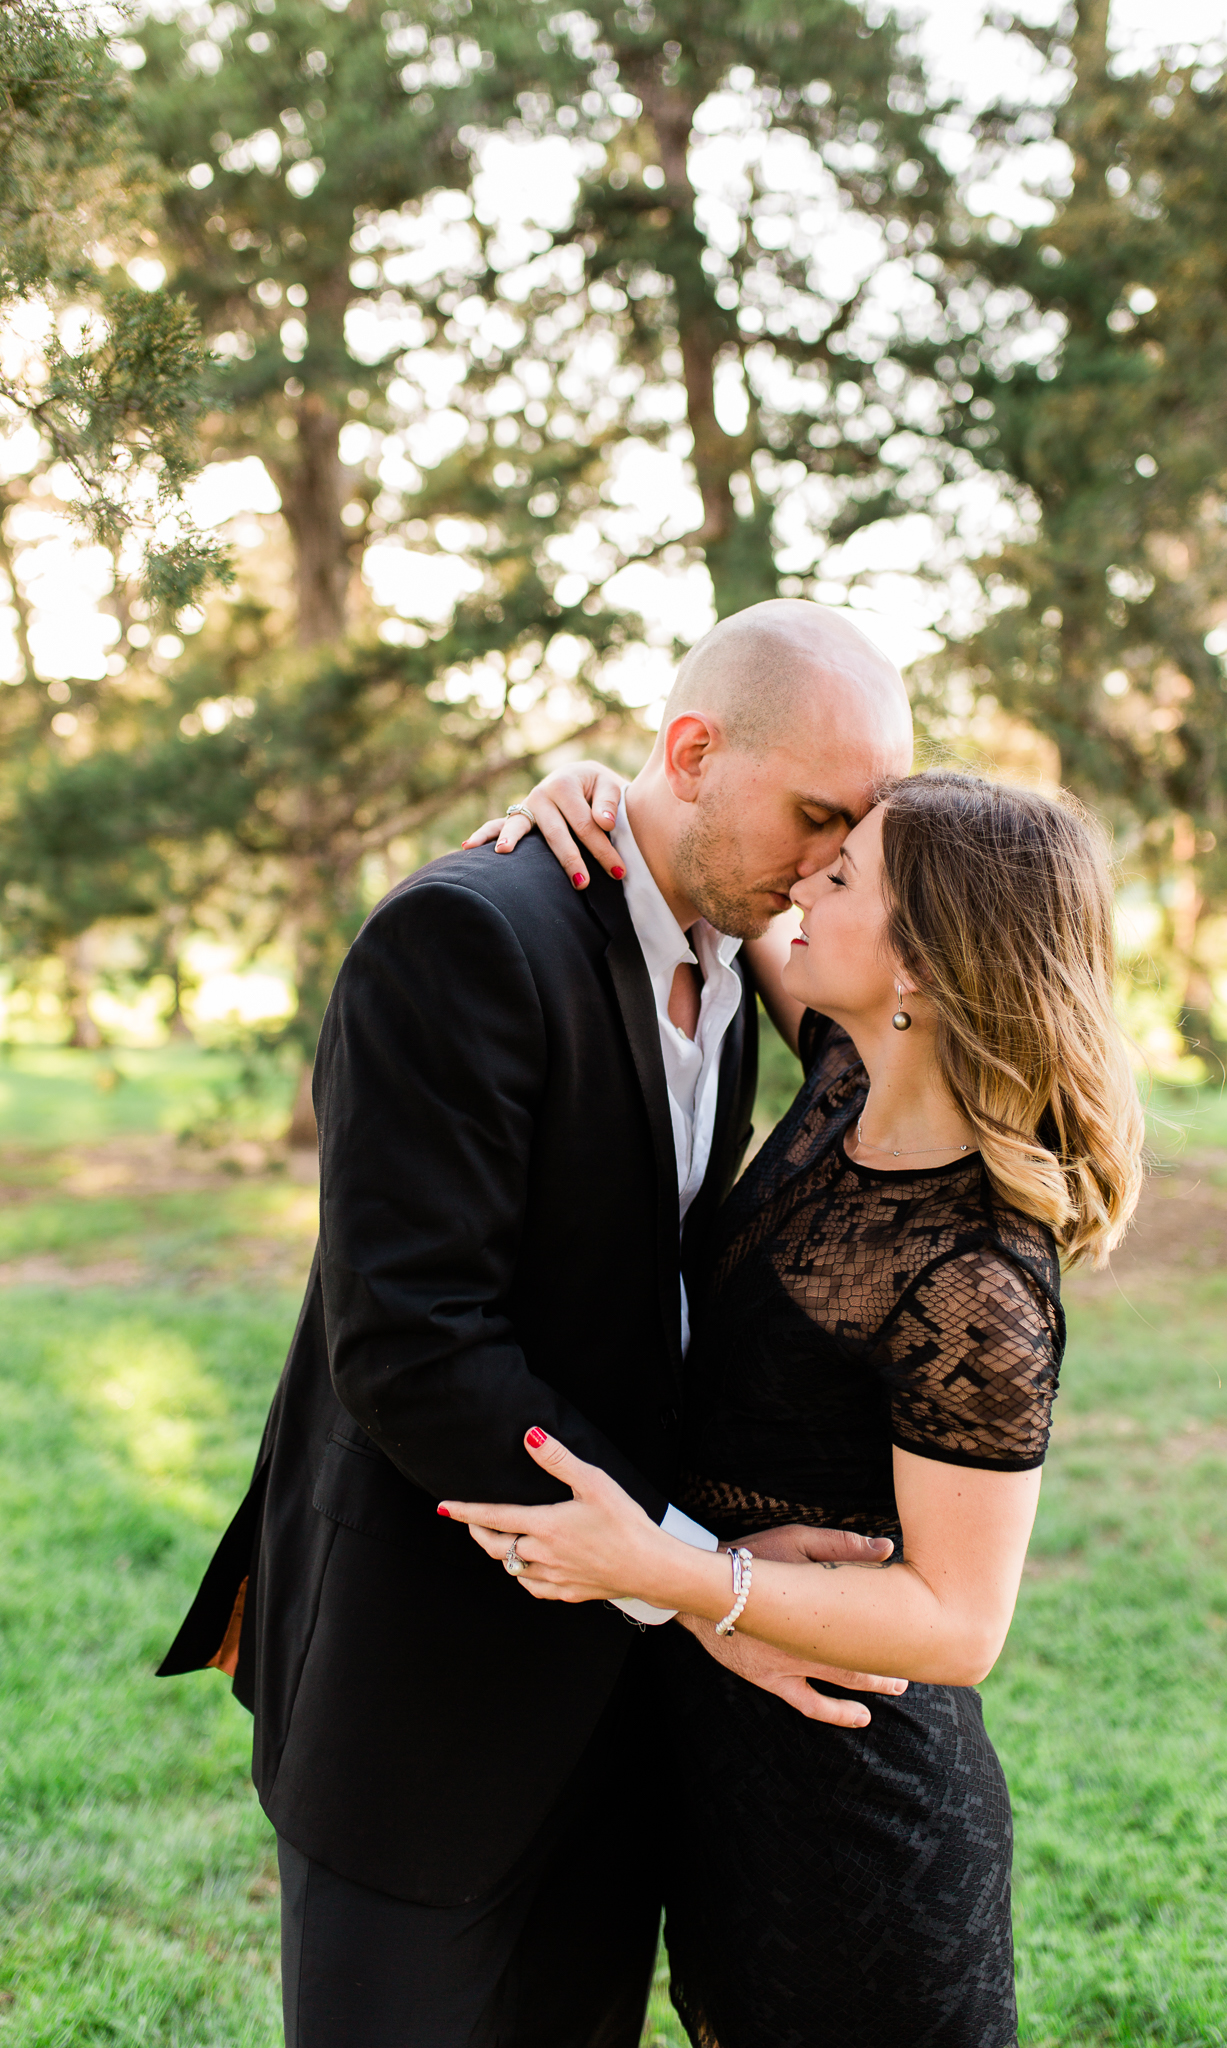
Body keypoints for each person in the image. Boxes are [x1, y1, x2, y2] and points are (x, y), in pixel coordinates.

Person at [156, 598, 916, 2048]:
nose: (832, 862)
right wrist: (690, 1575)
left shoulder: (748, 961)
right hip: (421, 1702)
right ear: (690, 751)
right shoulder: (467, 935)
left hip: (613, 1721)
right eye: (817, 815)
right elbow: (413, 1345)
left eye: (855, 829)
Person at [441, 766, 1147, 2047]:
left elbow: (958, 1620)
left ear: (925, 962)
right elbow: (708, 857)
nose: (799, 888)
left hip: (857, 1818)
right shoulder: (847, 1069)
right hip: (727, 1769)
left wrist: (675, 1568)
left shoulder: (978, 1280)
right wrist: (602, 783)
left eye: (841, 876)